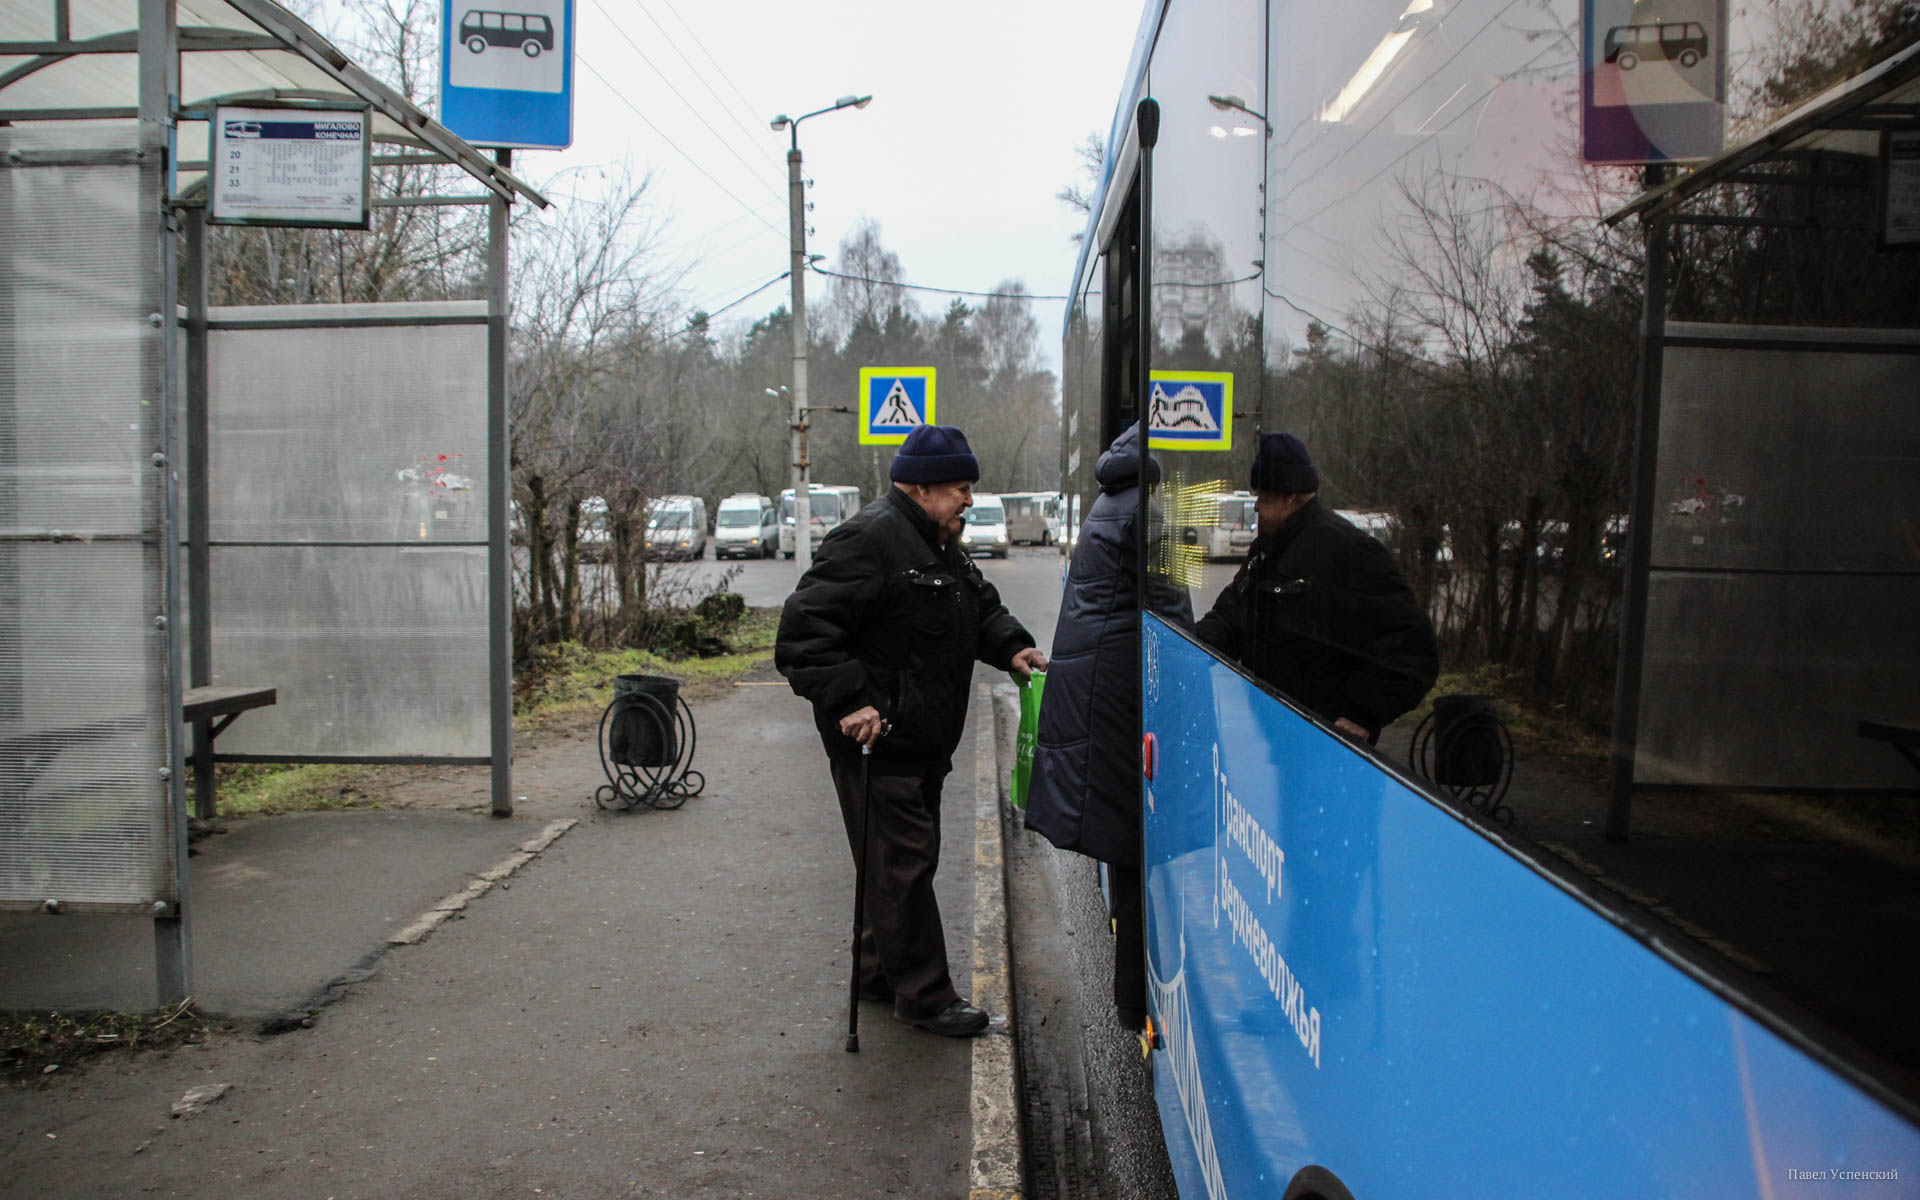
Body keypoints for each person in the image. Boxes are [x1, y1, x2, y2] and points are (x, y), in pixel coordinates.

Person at [776, 424, 1047, 1038]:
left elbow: (978, 607)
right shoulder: (869, 539)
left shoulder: (938, 541)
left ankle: (877, 973)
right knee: (904, 863)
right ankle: (924, 996)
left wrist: (1013, 648)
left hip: (922, 738)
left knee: (890, 860)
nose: (969, 501)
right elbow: (801, 635)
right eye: (960, 488)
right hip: (878, 740)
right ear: (920, 487)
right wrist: (851, 701)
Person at [1022, 426, 1191, 1031]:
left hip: (1099, 694)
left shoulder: (1107, 507)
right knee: (1134, 841)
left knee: (1124, 840)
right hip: (1120, 697)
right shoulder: (1147, 516)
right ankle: (1134, 1003)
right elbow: (1173, 610)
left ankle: (1130, 998)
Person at [1196, 432, 1438, 743]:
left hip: (1327, 742)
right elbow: (1233, 614)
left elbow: (1414, 648)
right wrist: (1192, 645)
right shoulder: (1268, 550)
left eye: (1264, 498)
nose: (1256, 507)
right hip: (1278, 731)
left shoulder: (1348, 552)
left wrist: (1360, 714)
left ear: (1290, 498)